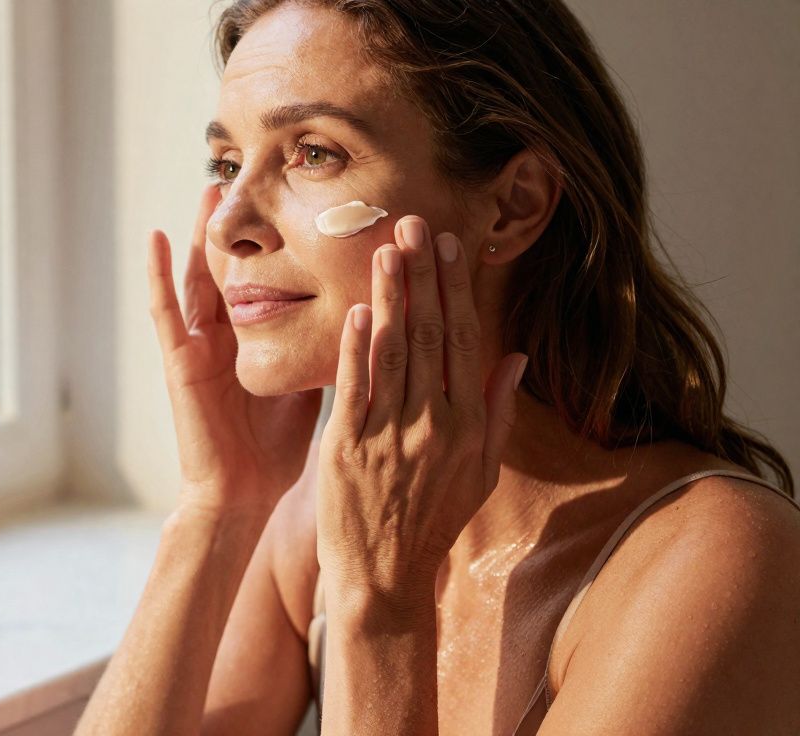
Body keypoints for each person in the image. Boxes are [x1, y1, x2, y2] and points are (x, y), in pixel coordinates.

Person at [74, 1, 800, 734]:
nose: (229, 221)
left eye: (313, 153)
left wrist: (383, 600)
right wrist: (219, 504)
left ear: (514, 207)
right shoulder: (310, 523)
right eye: (227, 164)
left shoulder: (717, 561)